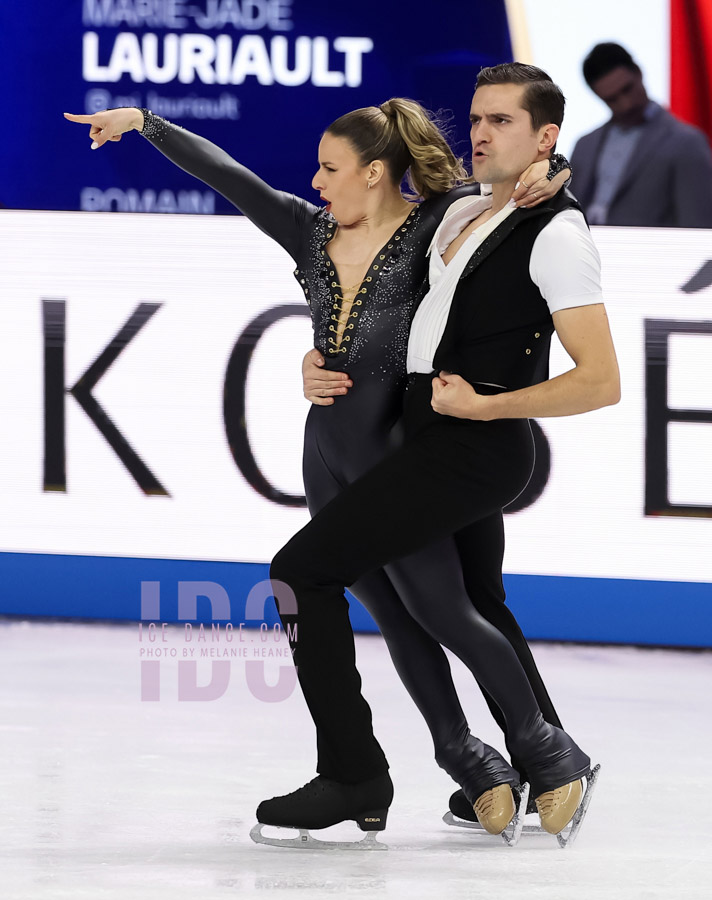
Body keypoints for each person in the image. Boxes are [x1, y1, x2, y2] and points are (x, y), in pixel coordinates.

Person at [64, 99, 570, 838]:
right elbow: (233, 178)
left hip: (398, 453)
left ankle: (549, 753)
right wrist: (147, 124)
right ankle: (468, 763)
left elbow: (513, 188)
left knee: (446, 609)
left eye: (331, 169)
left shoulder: (435, 224)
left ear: (374, 171)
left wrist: (556, 171)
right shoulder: (309, 232)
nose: (316, 180)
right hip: (325, 455)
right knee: (394, 620)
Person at [262, 61, 620, 844]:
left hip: (474, 442)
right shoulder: (461, 215)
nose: (483, 133)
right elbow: (382, 304)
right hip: (424, 433)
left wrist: (489, 405)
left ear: (546, 137)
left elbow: (601, 382)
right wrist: (323, 361)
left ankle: (544, 757)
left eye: (504, 123)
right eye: (478, 119)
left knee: (325, 576)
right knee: (466, 603)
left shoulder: (555, 229)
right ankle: (512, 767)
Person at [570, 42, 712, 227]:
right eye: (612, 99)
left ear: (637, 72)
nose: (626, 104)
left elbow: (697, 226)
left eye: (627, 89)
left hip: (648, 252)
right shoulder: (584, 145)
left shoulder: (687, 143)